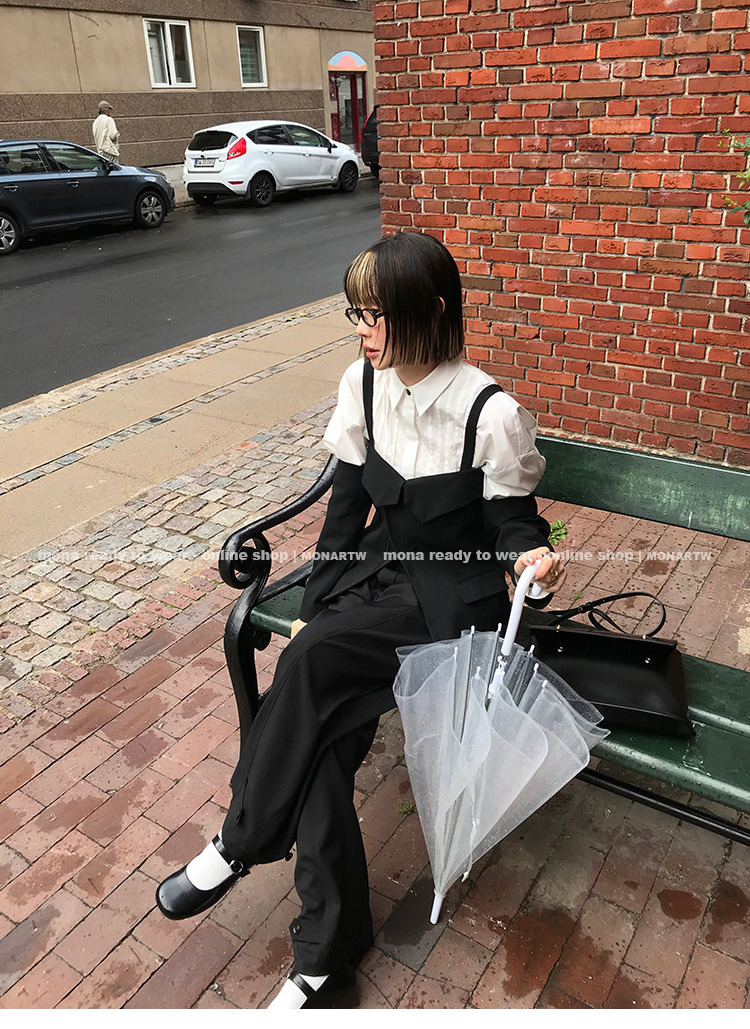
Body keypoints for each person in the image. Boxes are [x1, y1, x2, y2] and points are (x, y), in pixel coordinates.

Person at [155, 232, 567, 1009]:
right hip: (376, 576)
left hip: (451, 598)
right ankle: (323, 961)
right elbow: (345, 513)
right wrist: (315, 608)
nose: (361, 329)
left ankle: (241, 839)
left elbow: (514, 523)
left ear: (430, 311)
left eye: (376, 313)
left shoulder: (490, 411)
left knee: (309, 664)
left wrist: (531, 563)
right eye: (355, 311)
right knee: (321, 739)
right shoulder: (362, 385)